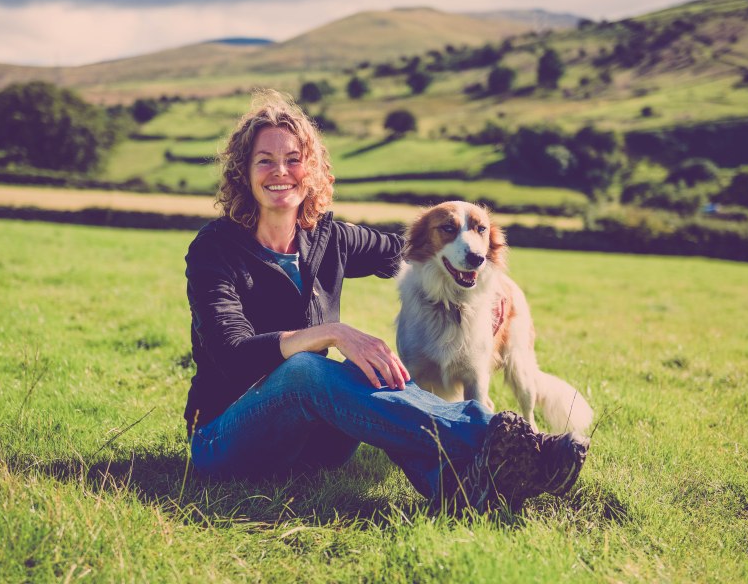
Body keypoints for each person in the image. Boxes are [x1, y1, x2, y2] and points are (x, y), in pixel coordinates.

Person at [183, 90, 589, 510]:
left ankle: (461, 484)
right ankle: (507, 442)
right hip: (224, 440)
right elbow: (231, 353)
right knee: (308, 366)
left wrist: (485, 286)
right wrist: (332, 333)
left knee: (367, 368)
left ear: (312, 171)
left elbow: (419, 249)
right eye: (264, 160)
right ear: (243, 173)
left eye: (293, 159)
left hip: (314, 448)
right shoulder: (215, 249)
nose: (280, 171)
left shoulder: (328, 237)